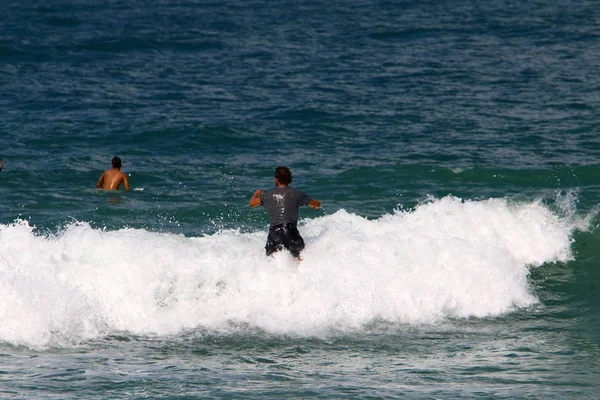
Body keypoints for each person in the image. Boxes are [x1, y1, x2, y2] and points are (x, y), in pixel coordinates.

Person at [249, 166, 321, 260]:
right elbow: (318, 204)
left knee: (270, 261)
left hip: (275, 233)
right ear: (290, 179)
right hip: (291, 231)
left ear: (276, 178)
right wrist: (312, 205)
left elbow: (251, 203)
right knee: (300, 259)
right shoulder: (298, 194)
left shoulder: (266, 195)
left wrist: (256, 193)